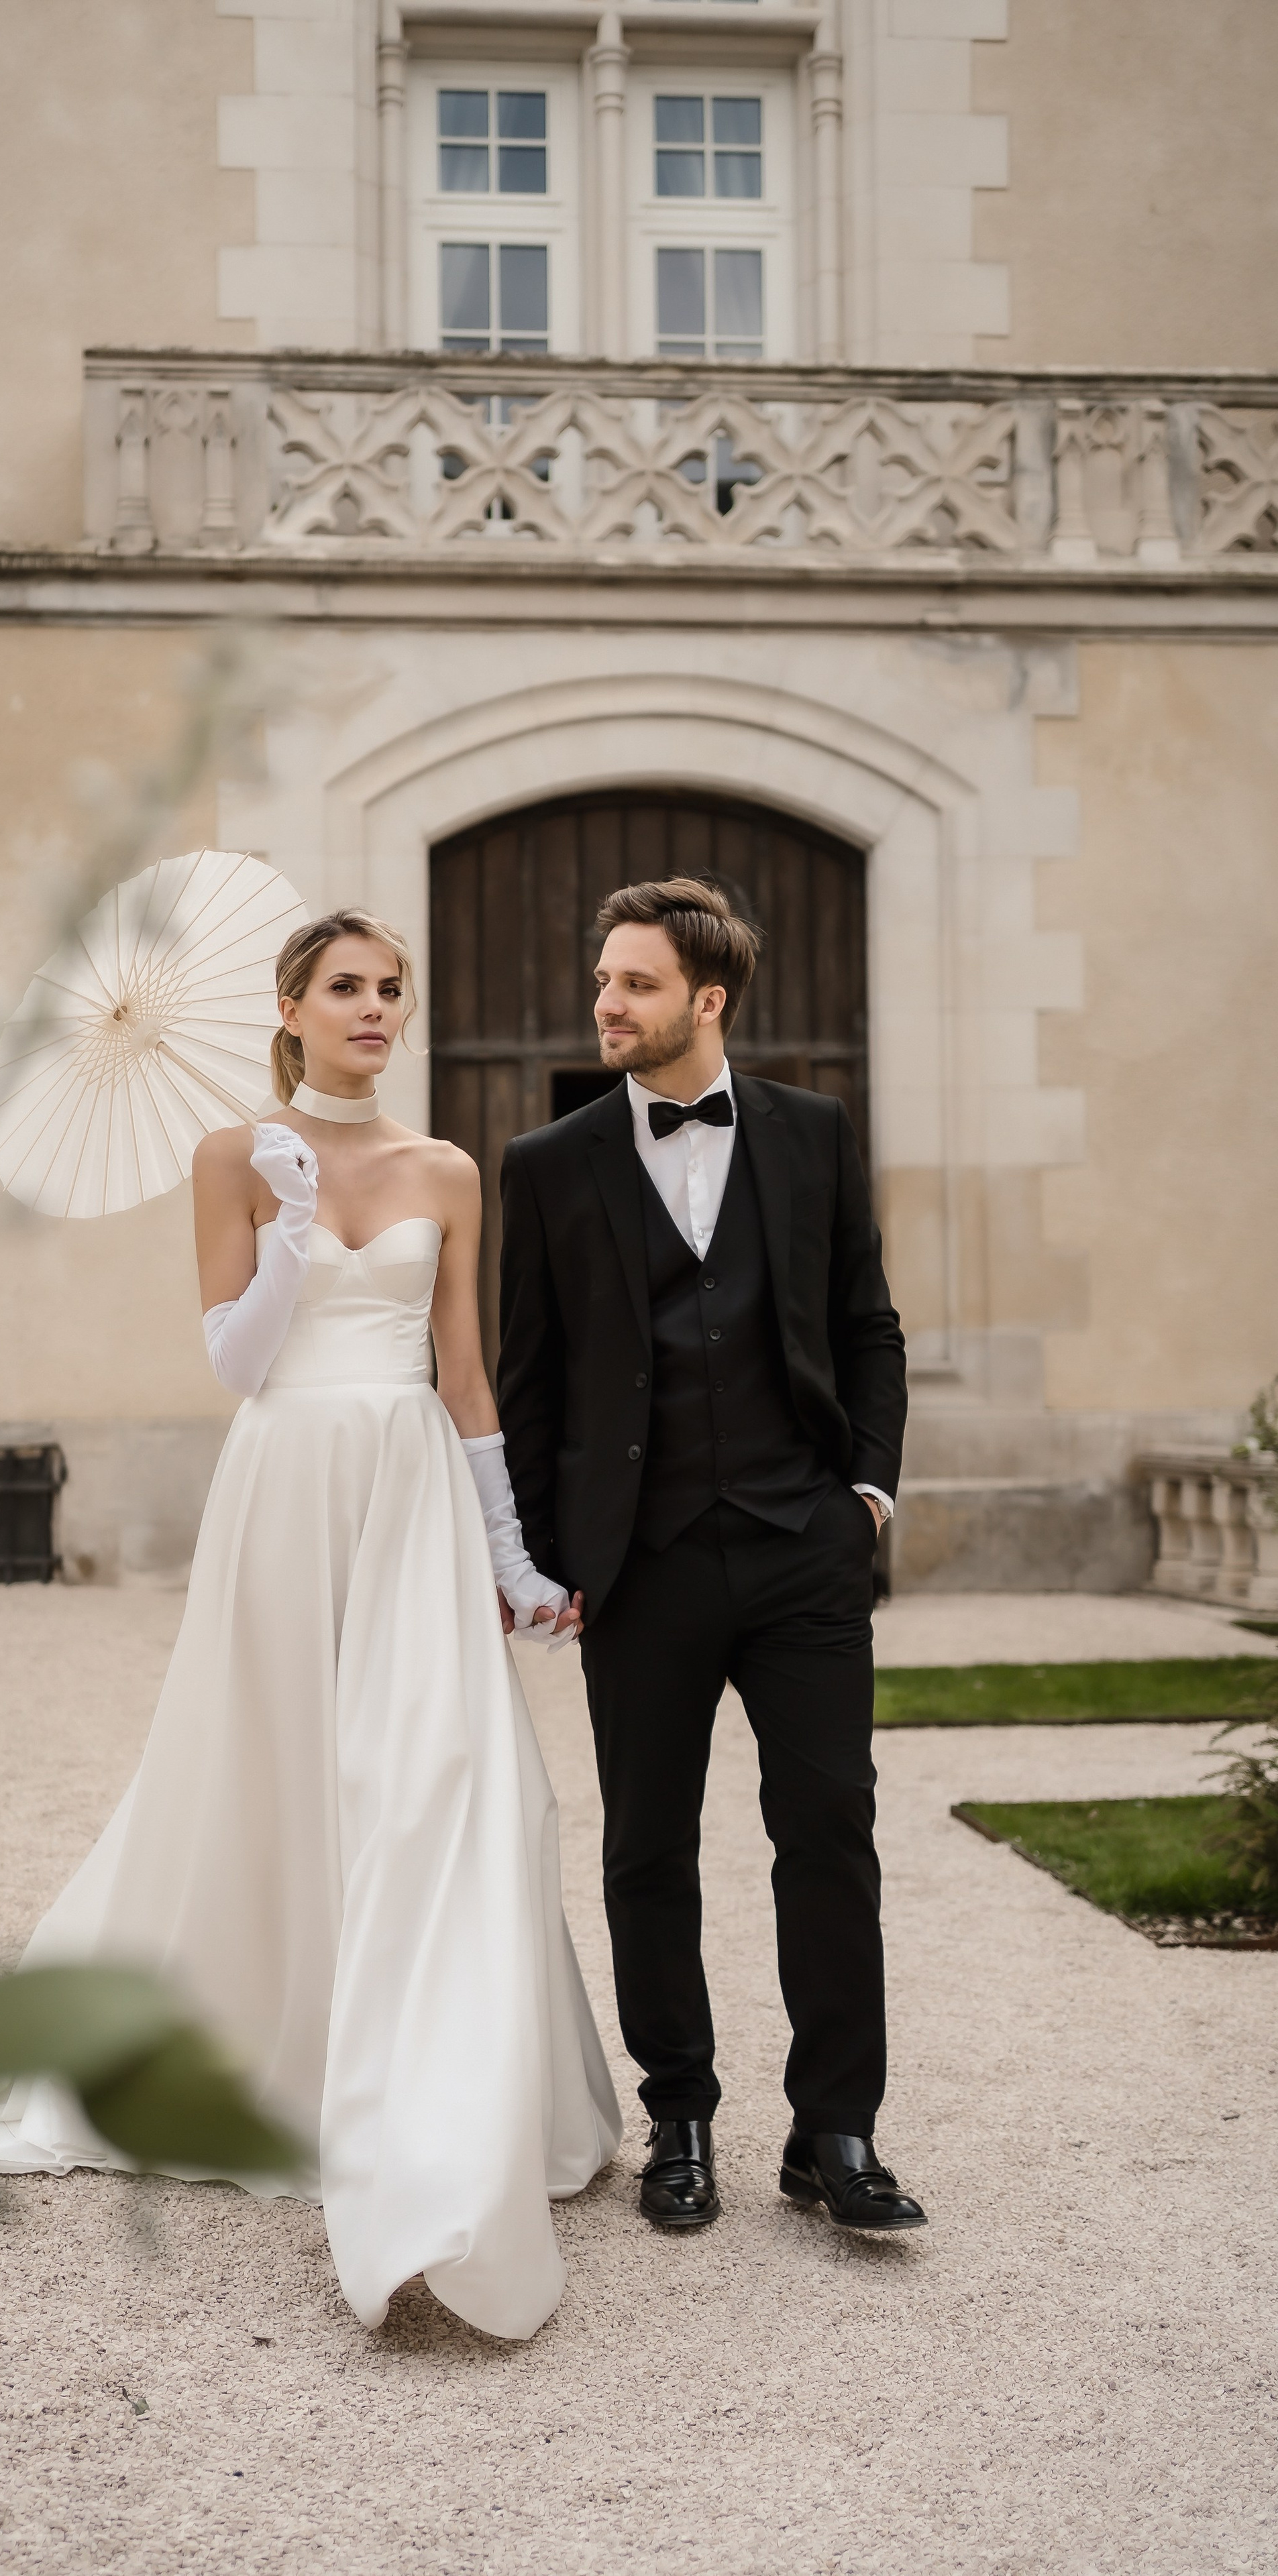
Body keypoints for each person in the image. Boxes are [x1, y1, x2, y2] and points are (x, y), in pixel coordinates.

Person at [0, 909, 621, 2341]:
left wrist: (513, 1552)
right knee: (277, 1773)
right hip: (284, 1481)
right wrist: (286, 1223)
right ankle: (283, 2062)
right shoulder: (229, 1155)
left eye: (391, 989)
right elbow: (232, 1356)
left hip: (408, 1487)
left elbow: (465, 1372)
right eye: (345, 986)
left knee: (444, 1779)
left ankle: (444, 2094)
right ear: (288, 1007)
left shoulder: (448, 1170)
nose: (372, 1008)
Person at [496, 877, 926, 2235]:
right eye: (602, 980)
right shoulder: (548, 1164)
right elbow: (530, 1376)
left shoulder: (811, 1133)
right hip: (642, 1562)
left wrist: (862, 1489)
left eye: (631, 983)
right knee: (646, 1846)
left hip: (802, 1545)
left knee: (828, 1832)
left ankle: (835, 2130)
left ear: (706, 998)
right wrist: (550, 1552)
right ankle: (678, 2113)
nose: (604, 1004)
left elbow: (865, 1322)